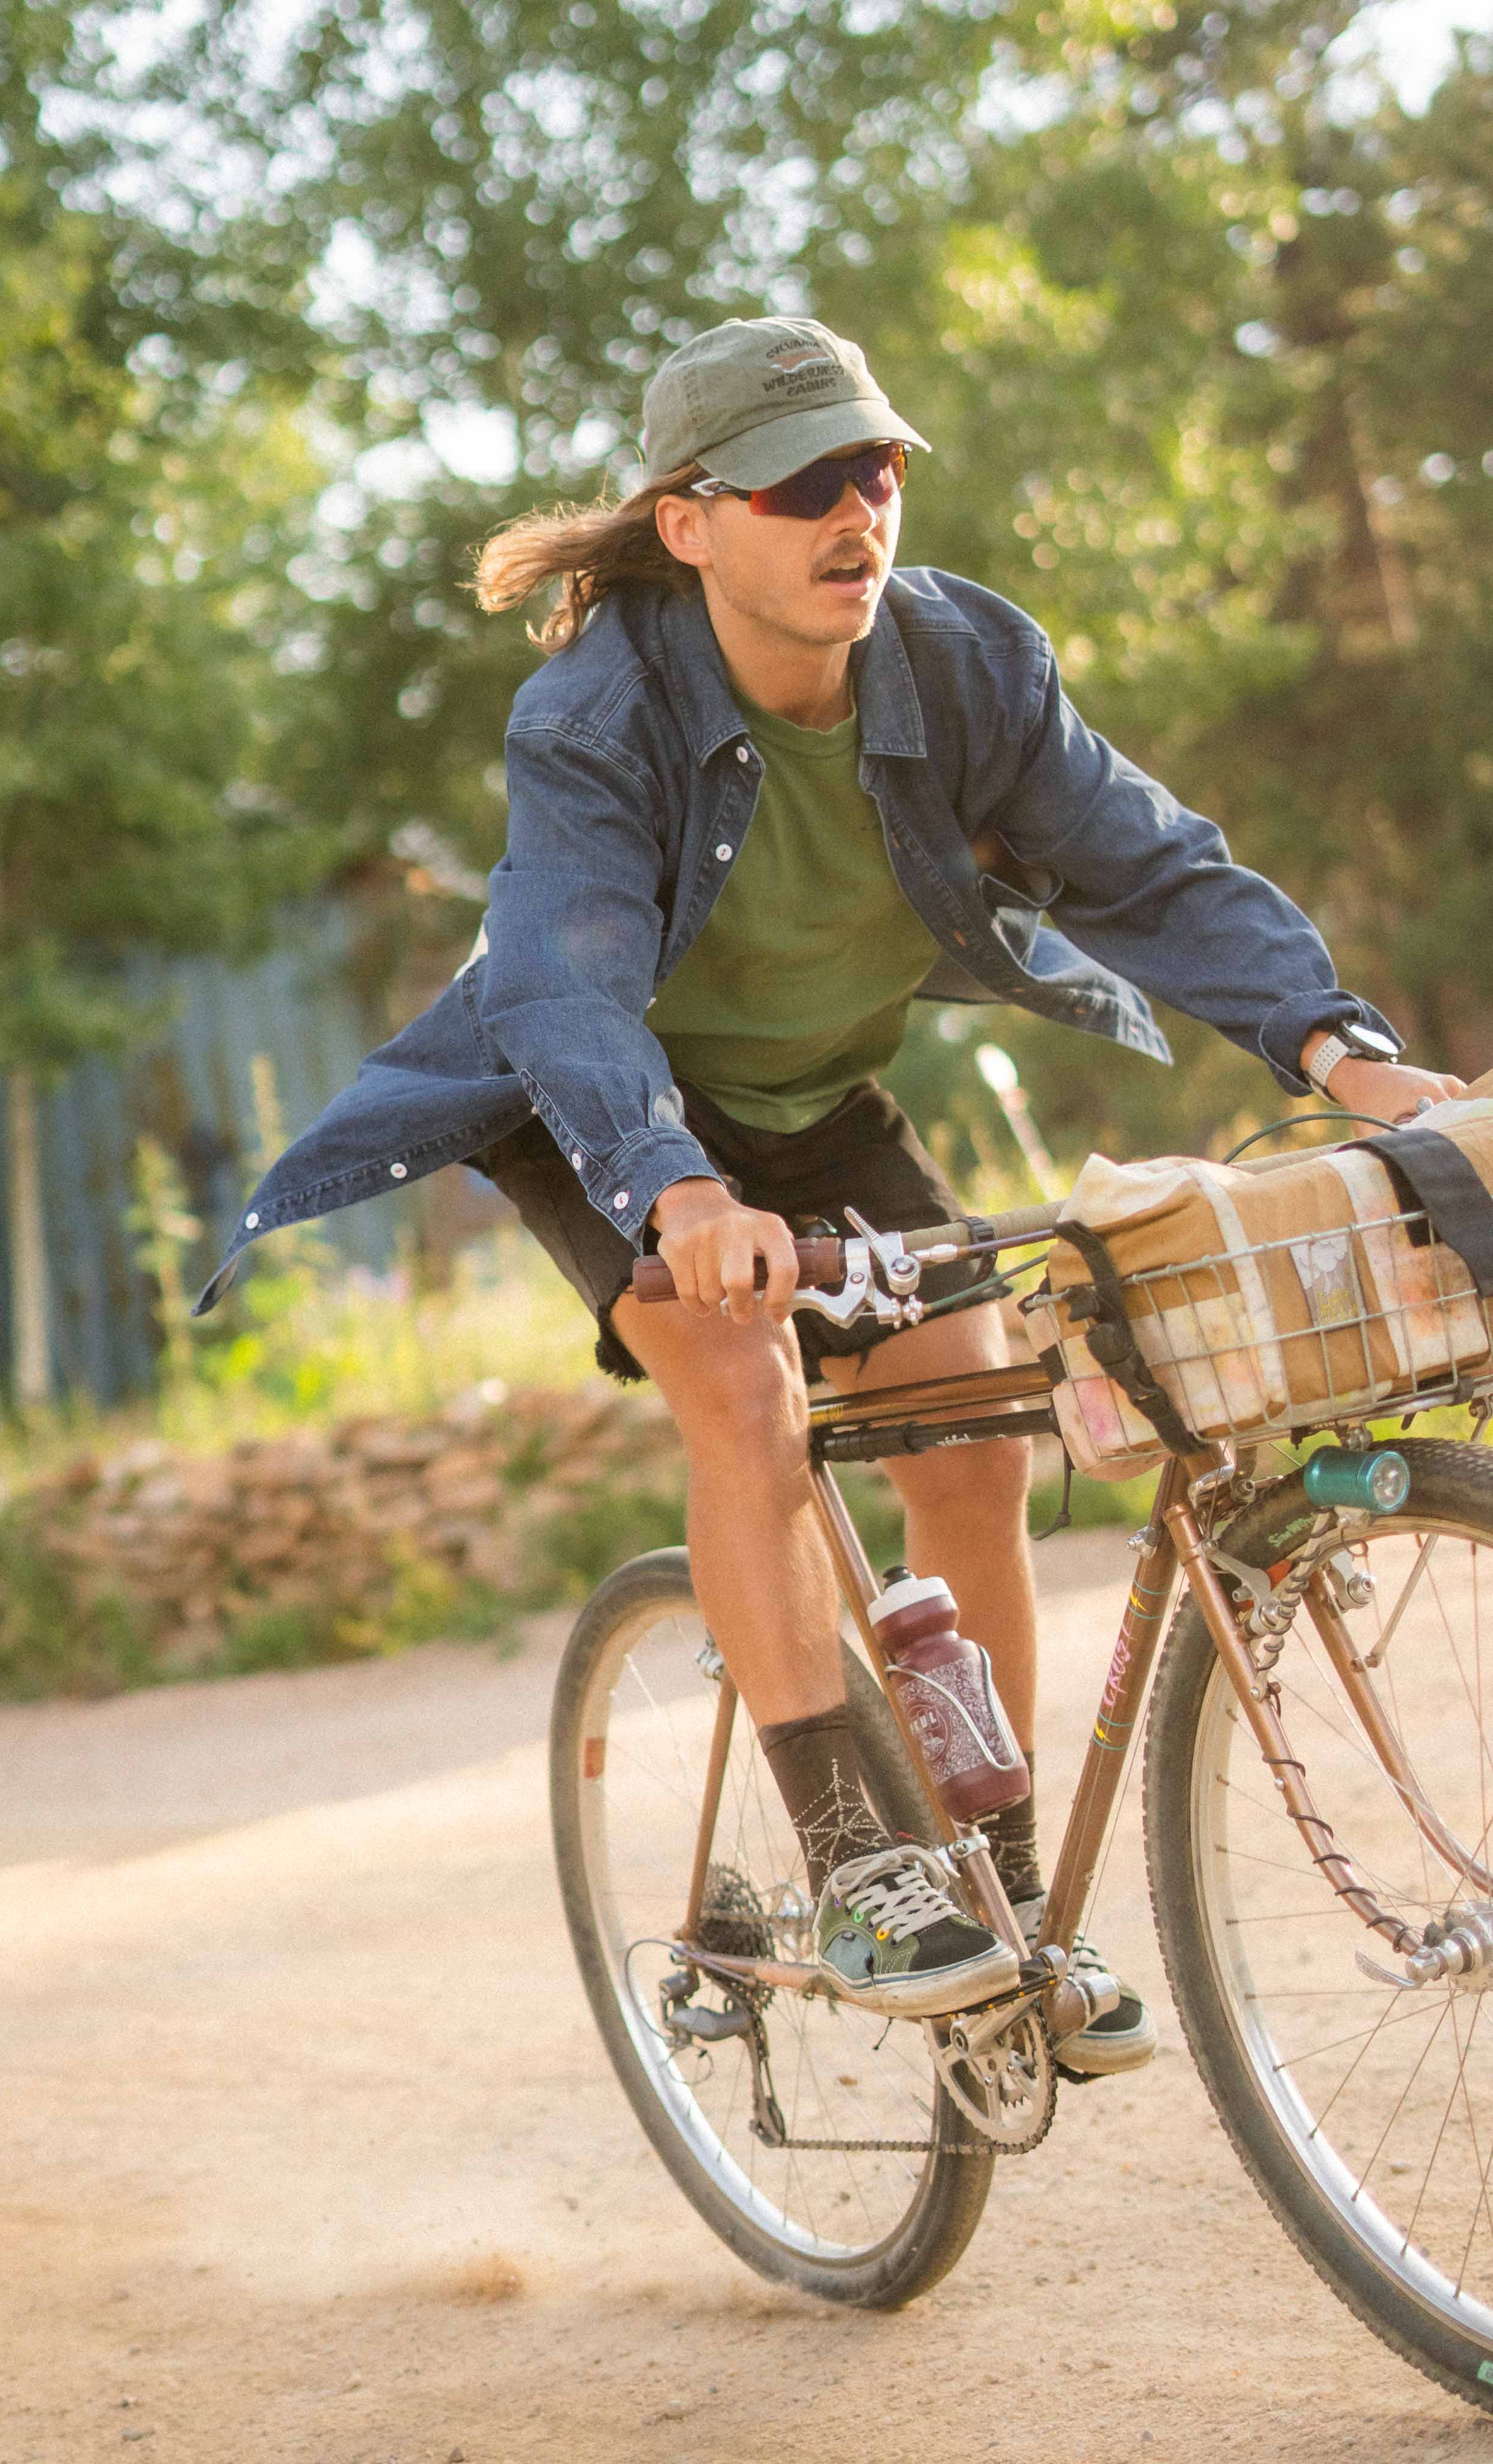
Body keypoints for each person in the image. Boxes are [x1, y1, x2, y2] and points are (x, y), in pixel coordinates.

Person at [198, 314, 1463, 2064]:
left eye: (873, 469)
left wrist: (1341, 1048)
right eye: (802, 484)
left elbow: (1153, 869)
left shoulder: (963, 665)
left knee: (968, 1431)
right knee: (741, 1391)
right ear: (690, 521)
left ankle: (996, 1901)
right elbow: (560, 983)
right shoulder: (595, 710)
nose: (853, 511)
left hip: (813, 1107)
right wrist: (674, 1196)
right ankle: (862, 1867)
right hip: (607, 1109)